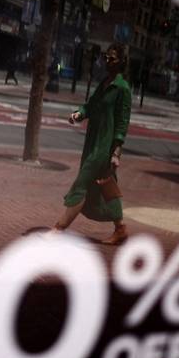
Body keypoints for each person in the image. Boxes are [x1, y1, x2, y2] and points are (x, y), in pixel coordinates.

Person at [49, 43, 132, 245]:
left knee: (82, 182)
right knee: (104, 187)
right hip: (92, 142)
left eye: (112, 58)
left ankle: (58, 228)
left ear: (122, 62)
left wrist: (116, 152)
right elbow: (91, 105)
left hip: (104, 147)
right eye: (106, 57)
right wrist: (79, 114)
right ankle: (120, 228)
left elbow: (122, 122)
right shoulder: (104, 83)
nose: (107, 61)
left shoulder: (122, 88)